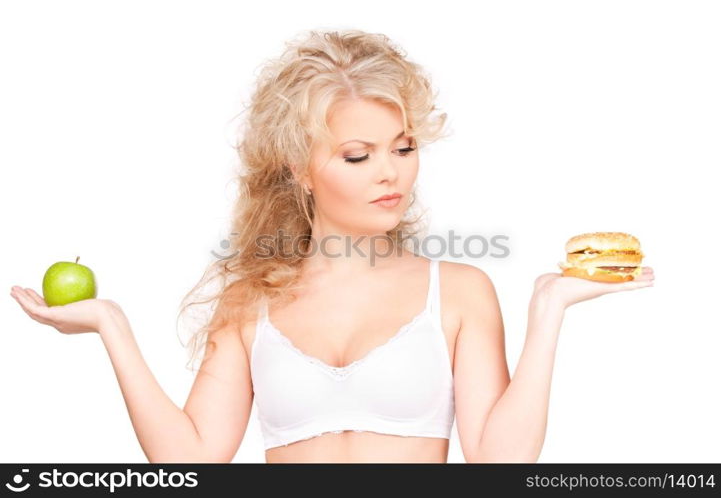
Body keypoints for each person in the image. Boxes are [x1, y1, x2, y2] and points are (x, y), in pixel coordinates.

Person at [9, 29, 654, 463]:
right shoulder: (249, 302)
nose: (390, 172)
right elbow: (193, 458)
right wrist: (111, 328)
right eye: (357, 154)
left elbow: (497, 460)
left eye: (404, 149)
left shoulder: (457, 292)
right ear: (299, 167)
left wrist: (547, 312)